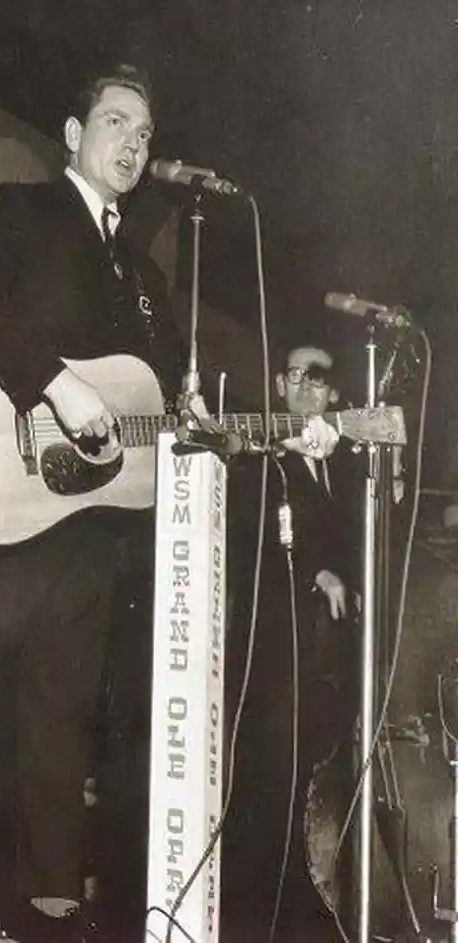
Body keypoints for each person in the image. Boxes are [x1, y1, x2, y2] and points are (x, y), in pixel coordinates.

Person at [0, 66, 340, 943]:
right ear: (73, 135)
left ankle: (52, 904)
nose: (135, 145)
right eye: (117, 123)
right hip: (1, 486)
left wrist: (283, 435)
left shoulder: (144, 277)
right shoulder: (26, 214)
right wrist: (56, 386)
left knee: (61, 713)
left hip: (89, 526)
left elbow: (173, 416)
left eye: (145, 135)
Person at [223, 341, 360, 937]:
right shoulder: (262, 458)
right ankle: (256, 917)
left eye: (318, 376)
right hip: (274, 653)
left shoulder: (346, 464)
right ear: (280, 387)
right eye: (294, 374)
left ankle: (313, 907)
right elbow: (248, 532)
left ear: (333, 394)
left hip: (328, 658)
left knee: (317, 782)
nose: (304, 383)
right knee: (268, 781)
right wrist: (315, 572)